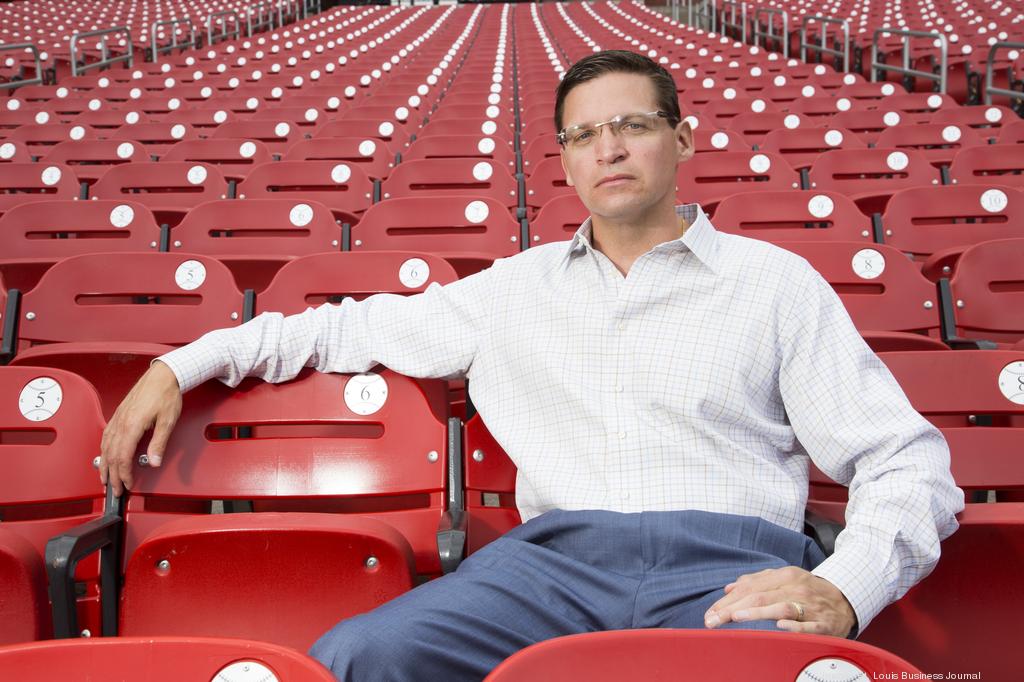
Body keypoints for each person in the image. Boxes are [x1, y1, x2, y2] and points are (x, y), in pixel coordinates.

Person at [99, 50, 964, 681]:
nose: (609, 148)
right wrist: (182, 363)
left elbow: (904, 459)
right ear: (567, 161)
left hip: (726, 564)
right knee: (360, 657)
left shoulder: (774, 282)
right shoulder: (508, 291)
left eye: (632, 125)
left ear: (682, 138)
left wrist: (846, 588)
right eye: (585, 135)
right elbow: (339, 330)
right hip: (550, 568)